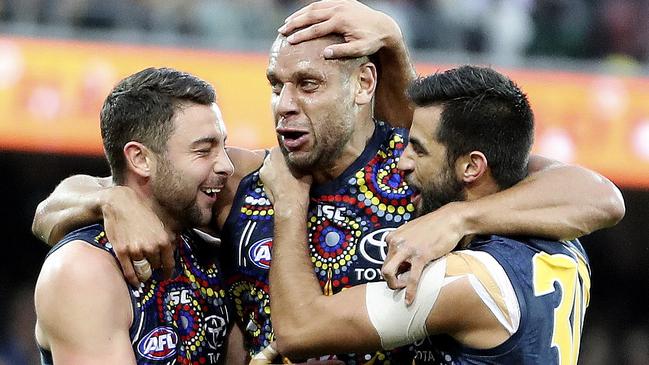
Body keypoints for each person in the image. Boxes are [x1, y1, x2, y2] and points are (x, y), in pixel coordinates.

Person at [31, 1, 624, 363]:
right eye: (275, 85)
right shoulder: (244, 177)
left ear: (364, 84)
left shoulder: (424, 171)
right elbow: (65, 204)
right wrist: (111, 199)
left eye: (308, 86)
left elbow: (598, 195)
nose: (284, 105)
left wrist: (455, 219)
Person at [260, 65, 593, 365]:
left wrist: (289, 202)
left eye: (417, 148)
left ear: (471, 167)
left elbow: (299, 330)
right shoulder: (566, 240)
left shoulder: (464, 281)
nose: (402, 162)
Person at [34, 67, 236, 364]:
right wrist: (112, 199)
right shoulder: (84, 270)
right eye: (203, 150)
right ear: (140, 159)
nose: (227, 166)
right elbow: (46, 212)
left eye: (224, 146)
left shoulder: (205, 250)